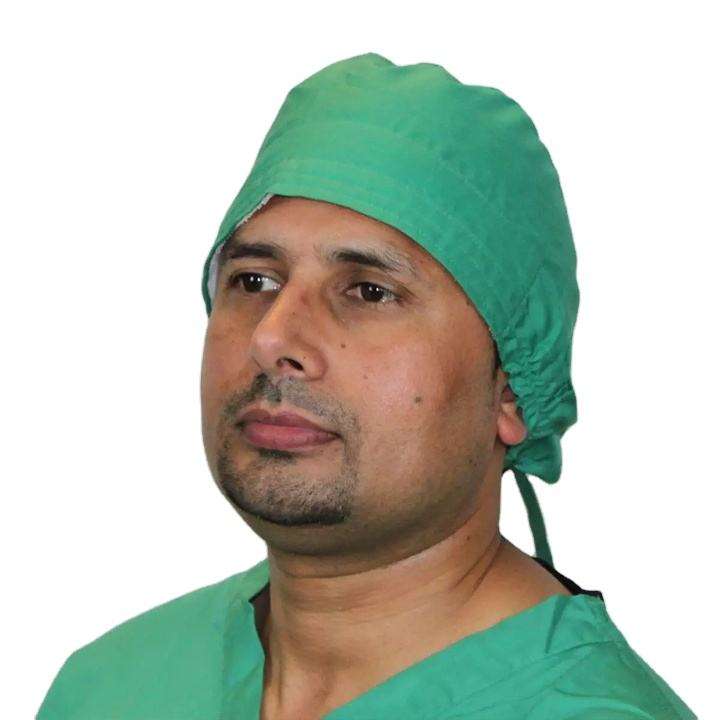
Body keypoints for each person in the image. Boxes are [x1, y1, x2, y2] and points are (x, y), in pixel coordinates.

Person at [37, 52, 697, 720]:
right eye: (254, 280)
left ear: (511, 389)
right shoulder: (110, 687)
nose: (272, 336)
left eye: (370, 292)